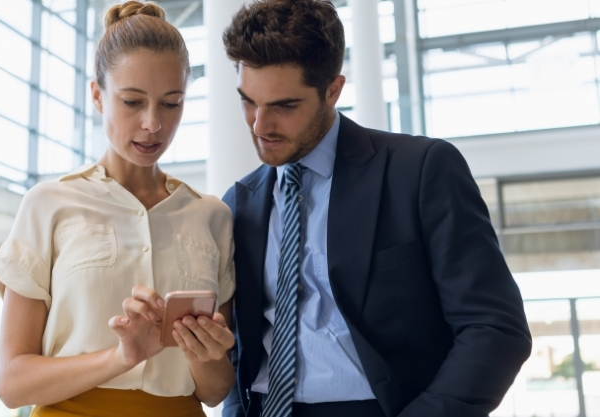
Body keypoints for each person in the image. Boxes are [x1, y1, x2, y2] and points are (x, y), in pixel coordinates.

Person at [220, 1, 532, 416]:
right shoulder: (238, 204)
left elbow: (495, 328)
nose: (259, 125)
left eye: (284, 106)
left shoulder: (419, 171)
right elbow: (240, 351)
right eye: (248, 102)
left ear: (332, 90)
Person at [0, 2, 235, 416]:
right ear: (98, 96)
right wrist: (120, 356)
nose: (153, 123)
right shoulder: (49, 205)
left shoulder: (212, 216)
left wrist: (204, 353)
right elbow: (12, 383)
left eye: (171, 103)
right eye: (133, 102)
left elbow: (214, 391)